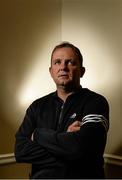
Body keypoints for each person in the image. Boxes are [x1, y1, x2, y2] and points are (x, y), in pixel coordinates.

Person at [15, 42, 109, 179]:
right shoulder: (37, 106)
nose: (63, 67)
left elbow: (84, 149)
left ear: (82, 71)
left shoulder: (96, 102)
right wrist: (67, 141)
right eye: (57, 62)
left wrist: (38, 134)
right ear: (51, 71)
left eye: (70, 62)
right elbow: (20, 151)